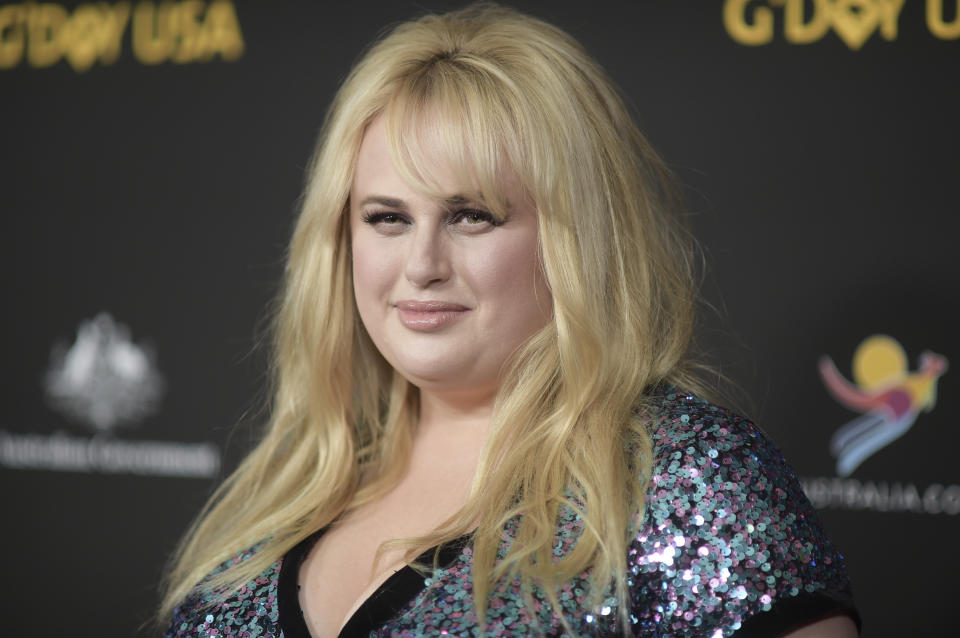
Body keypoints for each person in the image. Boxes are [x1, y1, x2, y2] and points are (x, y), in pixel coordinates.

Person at [160, 4, 860, 637]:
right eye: (387, 218)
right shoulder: (280, 498)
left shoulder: (685, 480)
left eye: (471, 216)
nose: (421, 263)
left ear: (575, 238)